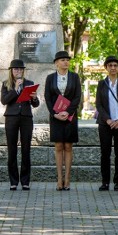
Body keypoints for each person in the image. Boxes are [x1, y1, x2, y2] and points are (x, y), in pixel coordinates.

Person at [44, 51, 81, 191]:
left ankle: (68, 179)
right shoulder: (50, 78)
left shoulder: (75, 77)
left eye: (67, 60)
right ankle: (59, 178)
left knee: (68, 147)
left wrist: (68, 111)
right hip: (56, 117)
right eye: (62, 60)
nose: (66, 62)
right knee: (59, 146)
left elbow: (77, 96)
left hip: (70, 116)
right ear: (56, 63)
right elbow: (47, 97)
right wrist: (55, 114)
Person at [0, 59, 39, 191]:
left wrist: (34, 98)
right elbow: (4, 101)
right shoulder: (6, 84)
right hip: (11, 118)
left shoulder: (29, 83)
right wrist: (15, 89)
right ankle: (13, 181)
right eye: (16, 69)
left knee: (26, 149)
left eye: (21, 69)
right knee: (12, 150)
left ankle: (25, 181)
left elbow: (36, 104)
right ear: (11, 71)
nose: (19, 71)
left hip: (26, 118)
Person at [95, 56, 118, 192]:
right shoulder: (101, 84)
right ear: (106, 67)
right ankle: (105, 182)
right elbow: (98, 104)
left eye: (115, 65)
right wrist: (108, 120)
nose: (113, 68)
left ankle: (117, 182)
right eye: (110, 65)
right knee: (105, 153)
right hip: (106, 124)